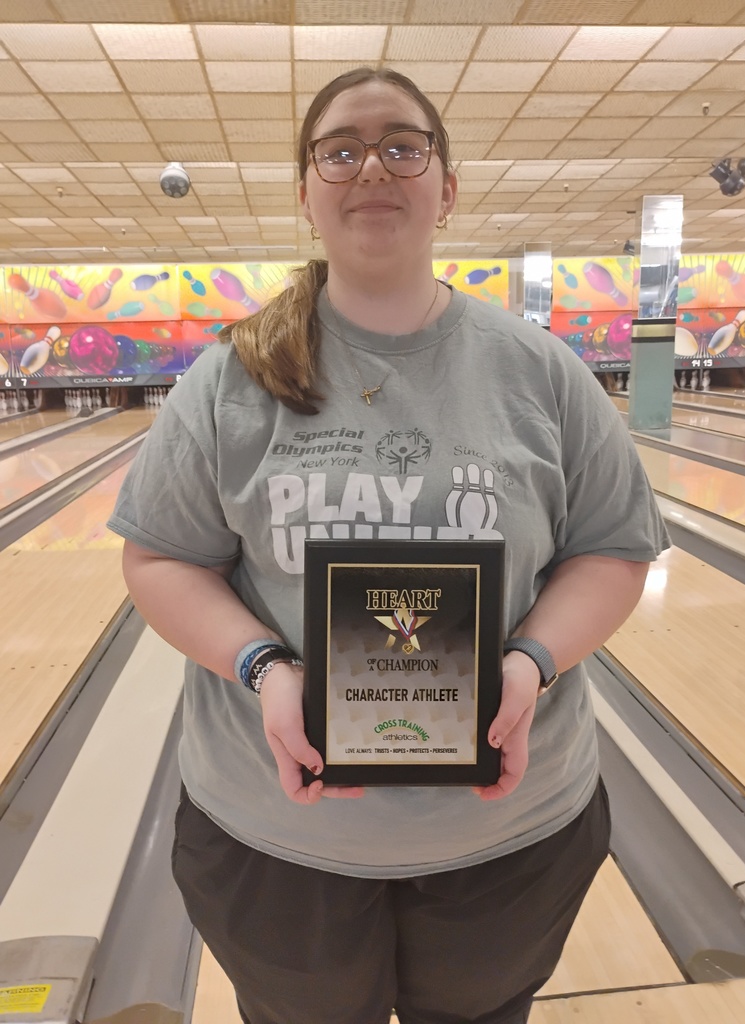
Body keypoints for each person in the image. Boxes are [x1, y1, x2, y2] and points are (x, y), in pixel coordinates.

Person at [108, 67, 669, 1024]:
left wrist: (530, 662)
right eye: (341, 149)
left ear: (444, 187)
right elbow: (159, 558)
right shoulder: (225, 381)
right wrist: (264, 668)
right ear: (306, 191)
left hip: (509, 840)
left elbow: (613, 550)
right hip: (275, 841)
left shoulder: (541, 371)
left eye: (403, 145)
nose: (373, 166)